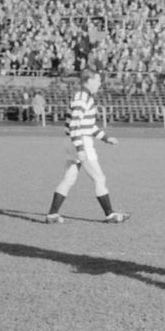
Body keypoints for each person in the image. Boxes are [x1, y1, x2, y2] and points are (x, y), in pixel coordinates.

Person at [44, 69, 129, 224]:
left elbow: (88, 126)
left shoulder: (84, 97)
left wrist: (106, 138)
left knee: (69, 179)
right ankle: (110, 214)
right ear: (89, 80)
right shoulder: (82, 97)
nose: (99, 83)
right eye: (97, 80)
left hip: (73, 140)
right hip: (81, 141)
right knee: (99, 178)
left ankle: (52, 214)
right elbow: (76, 124)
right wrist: (80, 148)